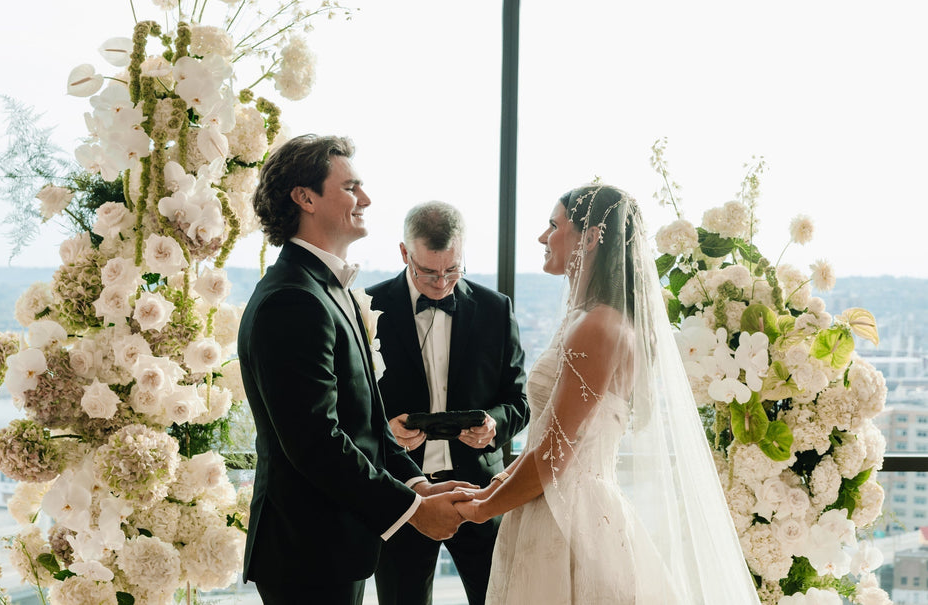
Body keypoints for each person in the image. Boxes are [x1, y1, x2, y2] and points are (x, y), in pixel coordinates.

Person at [454, 184, 761, 604]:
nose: (543, 238)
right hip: (553, 505)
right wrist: (488, 490)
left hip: (570, 520)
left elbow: (555, 453)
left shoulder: (598, 326)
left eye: (553, 225)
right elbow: (546, 436)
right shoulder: (586, 318)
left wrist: (482, 511)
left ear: (592, 237)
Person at [237, 135, 474, 605]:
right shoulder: (293, 299)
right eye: (351, 187)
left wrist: (418, 484)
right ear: (305, 198)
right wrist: (413, 511)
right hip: (305, 553)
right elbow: (316, 443)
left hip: (335, 545)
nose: (365, 199)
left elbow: (365, 419)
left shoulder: (329, 287)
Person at [367, 201, 530, 605]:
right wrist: (387, 430)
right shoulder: (367, 307)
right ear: (405, 254)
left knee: (499, 599)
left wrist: (494, 425)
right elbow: (355, 406)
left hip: (482, 492)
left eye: (453, 270)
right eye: (428, 271)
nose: (442, 283)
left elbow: (519, 401)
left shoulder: (496, 309)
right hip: (403, 494)